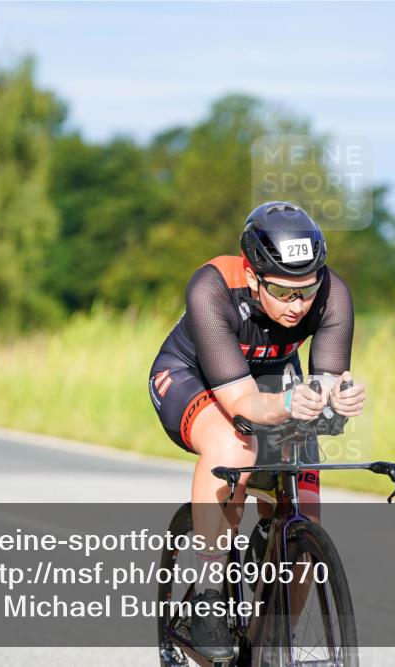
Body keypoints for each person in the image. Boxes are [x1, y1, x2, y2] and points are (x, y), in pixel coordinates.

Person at [148, 201, 366, 659]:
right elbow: (242, 405)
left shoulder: (332, 293)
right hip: (193, 377)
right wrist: (287, 404)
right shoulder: (212, 287)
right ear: (252, 276)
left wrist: (336, 402)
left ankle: (273, 643)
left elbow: (325, 383)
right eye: (283, 292)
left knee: (305, 513)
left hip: (270, 379)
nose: (298, 305)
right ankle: (209, 594)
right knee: (235, 447)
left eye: (306, 291)